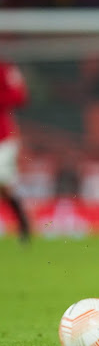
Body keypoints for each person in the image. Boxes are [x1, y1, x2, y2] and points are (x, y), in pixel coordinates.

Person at [0, 60, 31, 242]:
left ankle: (22, 221)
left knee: (3, 181)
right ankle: (23, 221)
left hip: (2, 138)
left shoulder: (5, 69)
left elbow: (19, 96)